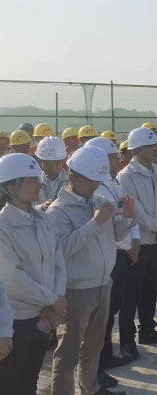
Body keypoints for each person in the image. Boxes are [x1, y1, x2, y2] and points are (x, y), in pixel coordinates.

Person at [49, 145, 135, 395]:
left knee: (94, 345)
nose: (95, 185)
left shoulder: (99, 201)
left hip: (103, 284)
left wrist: (127, 218)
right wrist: (94, 223)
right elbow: (61, 250)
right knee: (67, 352)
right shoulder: (58, 210)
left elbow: (116, 234)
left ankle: (90, 388)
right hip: (76, 290)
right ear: (72, 175)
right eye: (89, 180)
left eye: (98, 180)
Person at [0, 153, 67, 394]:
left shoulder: (42, 219)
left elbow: (58, 260)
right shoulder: (3, 226)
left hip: (45, 314)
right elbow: (12, 278)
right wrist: (53, 299)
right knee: (11, 383)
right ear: (10, 188)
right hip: (17, 320)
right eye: (31, 180)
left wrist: (56, 300)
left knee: (31, 378)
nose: (38, 184)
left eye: (37, 179)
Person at [117, 127, 157, 360]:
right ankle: (127, 340)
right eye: (151, 147)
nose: (155, 150)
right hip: (139, 243)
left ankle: (148, 330)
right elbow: (136, 211)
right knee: (130, 293)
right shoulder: (126, 177)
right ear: (137, 149)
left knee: (151, 289)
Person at [84, 137, 140, 375]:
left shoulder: (114, 183)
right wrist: (127, 246)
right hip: (113, 254)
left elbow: (129, 213)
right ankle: (98, 363)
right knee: (102, 315)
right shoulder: (96, 189)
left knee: (112, 308)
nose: (119, 161)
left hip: (124, 253)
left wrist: (135, 241)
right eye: (114, 158)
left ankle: (106, 355)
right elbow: (105, 226)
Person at [34, 136, 69, 210]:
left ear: (63, 161)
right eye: (47, 164)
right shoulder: (32, 182)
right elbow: (25, 209)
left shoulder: (72, 182)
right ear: (39, 162)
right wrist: (41, 207)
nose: (52, 169)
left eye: (56, 163)